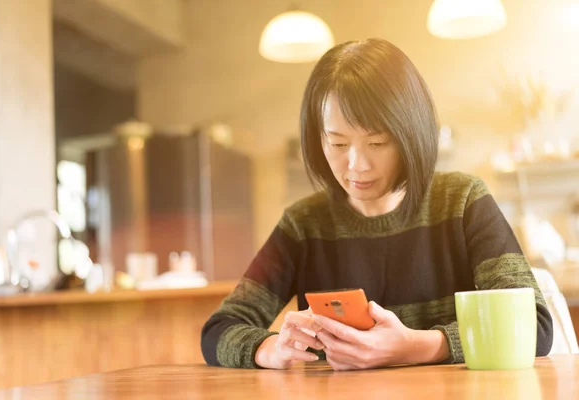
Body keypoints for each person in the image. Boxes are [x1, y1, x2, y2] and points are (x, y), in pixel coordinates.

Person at [200, 38, 553, 371]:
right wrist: (269, 349)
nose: (356, 165)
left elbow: (533, 325)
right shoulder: (303, 225)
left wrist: (418, 346)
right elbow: (220, 329)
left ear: (411, 134)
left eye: (378, 142)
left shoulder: (462, 202)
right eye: (337, 144)